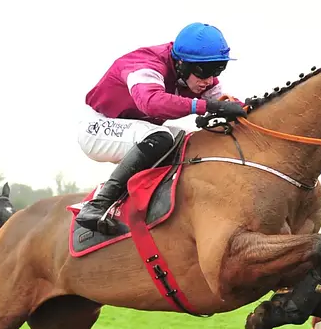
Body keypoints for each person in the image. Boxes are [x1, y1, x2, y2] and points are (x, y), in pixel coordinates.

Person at [74, 22, 247, 234]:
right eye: (205, 72)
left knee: (191, 142)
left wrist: (252, 108)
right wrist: (207, 107)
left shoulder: (197, 76)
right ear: (182, 63)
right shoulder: (146, 64)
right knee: (161, 138)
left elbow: (226, 104)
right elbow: (151, 102)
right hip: (97, 126)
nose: (209, 80)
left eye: (217, 69)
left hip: (137, 127)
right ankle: (97, 205)